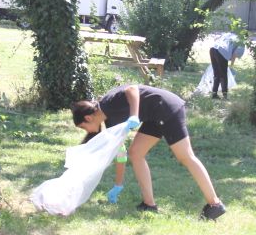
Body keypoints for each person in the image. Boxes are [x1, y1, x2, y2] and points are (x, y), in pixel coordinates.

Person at [72, 84, 227, 220]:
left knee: (185, 156)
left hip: (166, 108)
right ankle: (149, 204)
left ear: (87, 118)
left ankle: (215, 204)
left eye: (83, 127)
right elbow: (121, 152)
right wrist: (118, 185)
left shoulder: (108, 104)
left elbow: (131, 89)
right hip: (154, 116)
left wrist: (133, 115)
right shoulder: (110, 120)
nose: (86, 131)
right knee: (135, 153)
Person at [209, 32, 246, 99]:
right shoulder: (241, 42)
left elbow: (216, 39)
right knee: (223, 75)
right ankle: (225, 95)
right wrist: (231, 66)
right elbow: (234, 54)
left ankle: (214, 94)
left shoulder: (229, 34)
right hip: (222, 52)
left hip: (212, 49)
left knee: (216, 73)